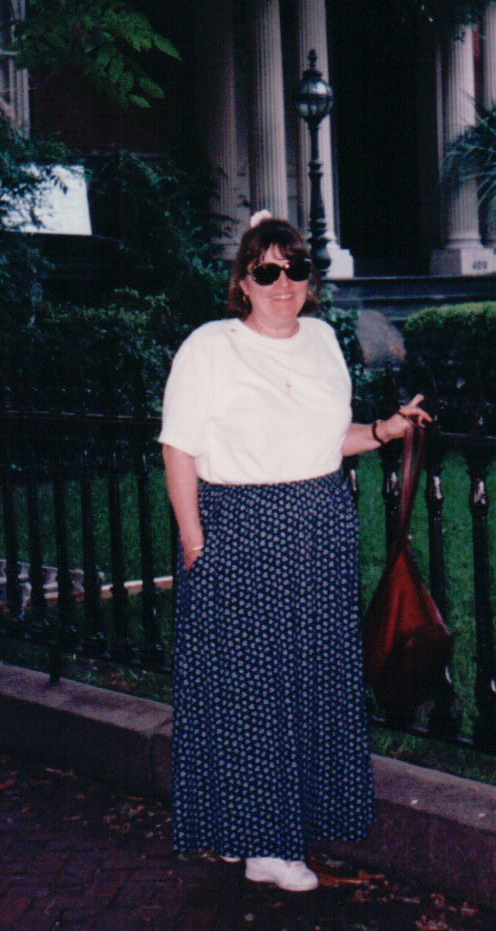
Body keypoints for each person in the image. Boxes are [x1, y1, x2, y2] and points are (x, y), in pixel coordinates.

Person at [160, 213, 429, 893]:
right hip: (242, 529)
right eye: (267, 271)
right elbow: (179, 448)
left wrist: (383, 431)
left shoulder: (321, 342)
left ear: (311, 279)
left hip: (319, 529)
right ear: (243, 282)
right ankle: (265, 845)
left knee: (310, 683)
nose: (283, 284)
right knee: (250, 688)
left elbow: (327, 438)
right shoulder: (209, 348)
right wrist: (195, 543)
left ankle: (249, 827)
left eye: (296, 269)